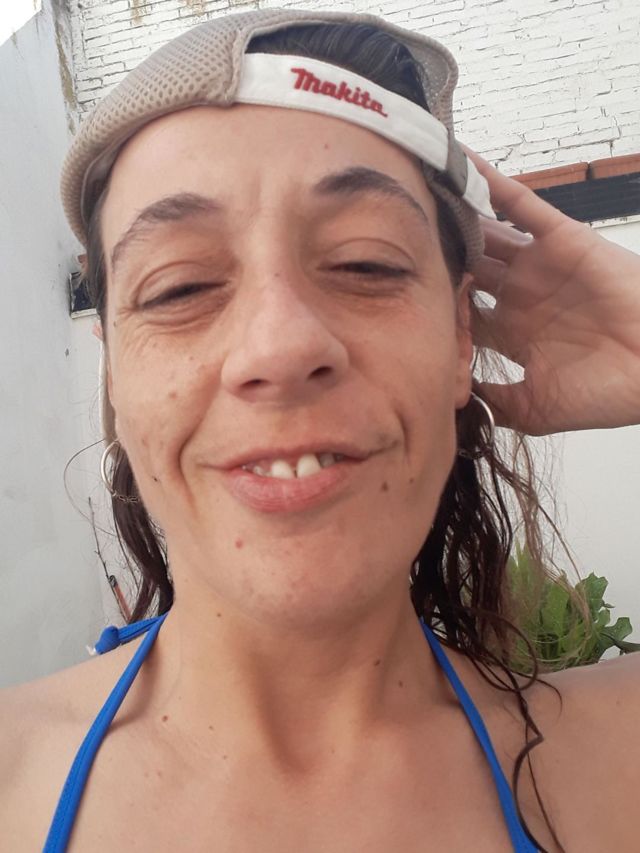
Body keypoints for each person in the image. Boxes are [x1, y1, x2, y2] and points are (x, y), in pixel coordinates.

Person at [2, 8, 639, 852]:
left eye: (364, 262)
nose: (280, 345)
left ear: (460, 336)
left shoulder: (615, 760)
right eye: (179, 287)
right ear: (114, 375)